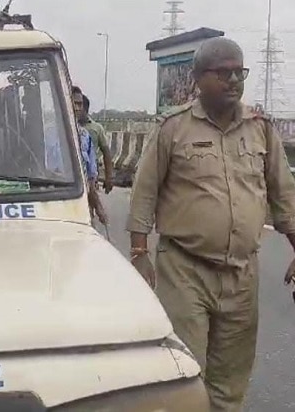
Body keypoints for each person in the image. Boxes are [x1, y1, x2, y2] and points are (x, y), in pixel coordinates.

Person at [126, 37, 295, 412]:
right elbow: (144, 191)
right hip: (185, 269)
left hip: (242, 273)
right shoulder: (173, 128)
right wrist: (139, 251)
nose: (234, 80)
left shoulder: (260, 129)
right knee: (183, 369)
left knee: (230, 377)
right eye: (224, 73)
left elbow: (284, 193)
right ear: (199, 78)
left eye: (240, 72)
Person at [81, 94, 112, 226]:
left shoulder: (96, 129)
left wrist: (109, 177)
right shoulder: (66, 127)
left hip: (90, 173)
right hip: (76, 176)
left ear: (85, 109)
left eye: (79, 105)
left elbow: (106, 152)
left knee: (88, 210)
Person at [71, 86, 98, 193]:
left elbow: (91, 174)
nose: (77, 108)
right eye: (74, 103)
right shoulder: (51, 135)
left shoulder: (85, 136)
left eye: (80, 104)